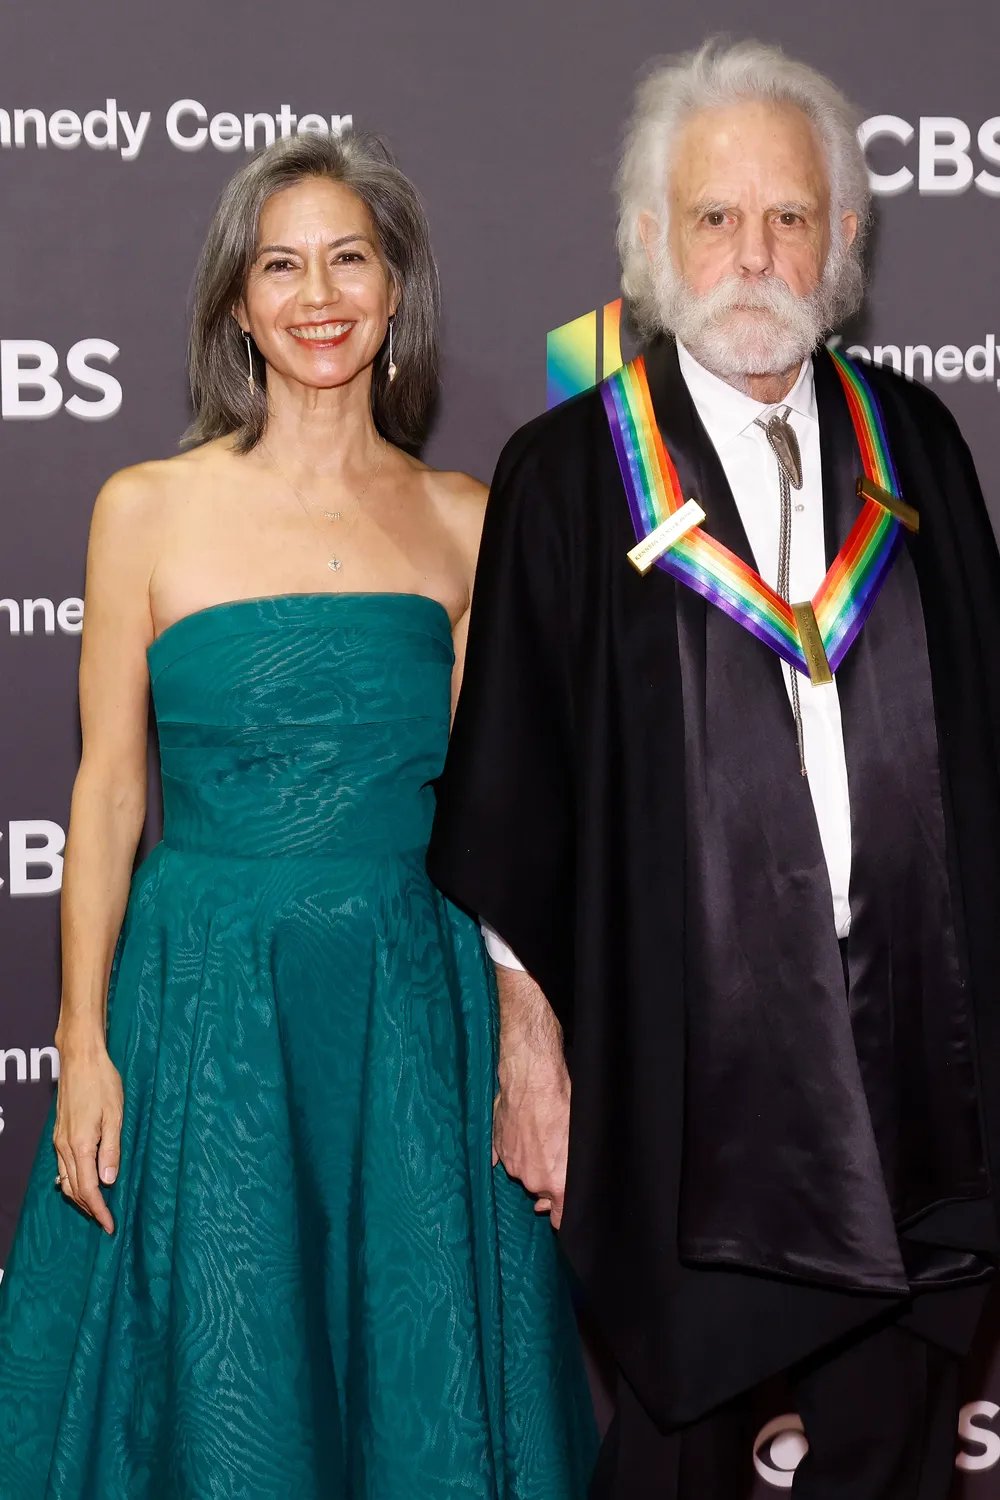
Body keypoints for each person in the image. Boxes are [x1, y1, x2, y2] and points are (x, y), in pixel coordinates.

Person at [428, 37, 1000, 1500]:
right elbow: (507, 793)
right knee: (678, 1470)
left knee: (895, 1452)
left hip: (904, 1060)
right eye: (714, 219)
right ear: (647, 246)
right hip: (684, 1080)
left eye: (789, 217)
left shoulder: (919, 447)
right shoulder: (567, 476)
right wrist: (526, 1039)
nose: (755, 255)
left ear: (847, 240)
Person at [0, 132, 596, 1500]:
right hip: (206, 1002)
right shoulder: (144, 509)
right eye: (280, 264)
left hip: (410, 1006)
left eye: (349, 259)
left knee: (414, 1383)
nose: (316, 294)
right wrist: (80, 1039)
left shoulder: (467, 518)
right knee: (227, 1376)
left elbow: (508, 811)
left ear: (396, 296)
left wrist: (526, 1033)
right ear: (235, 303)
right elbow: (106, 791)